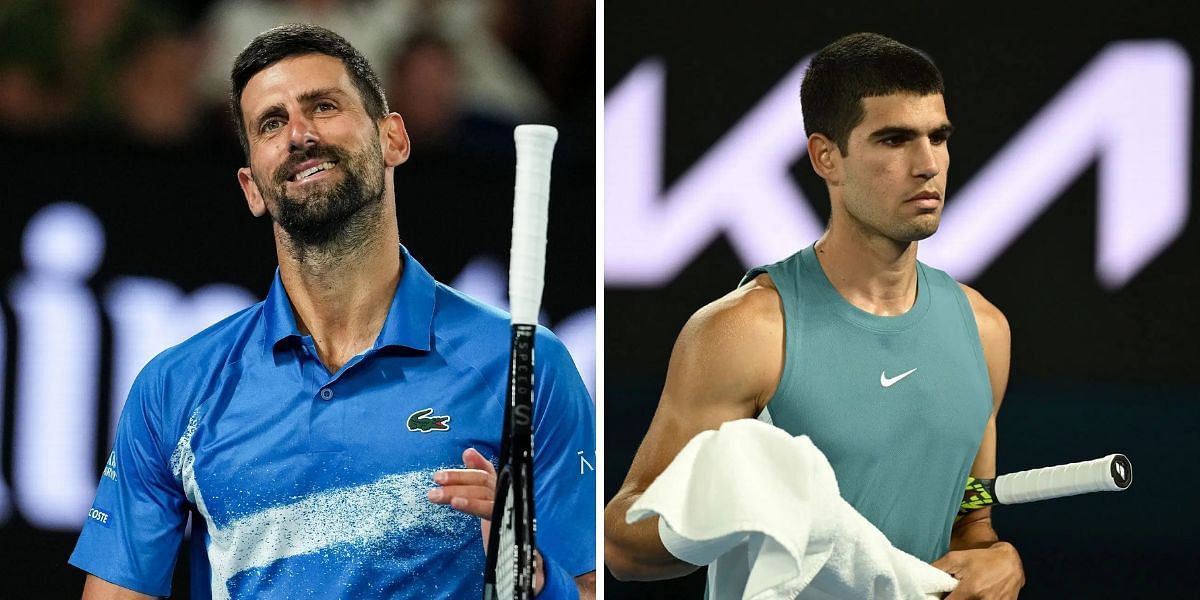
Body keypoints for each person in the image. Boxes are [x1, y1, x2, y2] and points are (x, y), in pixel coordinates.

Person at [69, 24, 595, 599]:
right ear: (251, 187)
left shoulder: (526, 367)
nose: (299, 134)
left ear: (393, 138)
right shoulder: (175, 388)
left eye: (323, 106)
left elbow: (591, 588)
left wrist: (537, 579)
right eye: (272, 123)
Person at [604, 32, 1024, 599]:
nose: (928, 165)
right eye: (895, 139)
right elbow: (621, 546)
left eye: (938, 137)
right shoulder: (743, 332)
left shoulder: (985, 331)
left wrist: (999, 558)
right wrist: (720, 511)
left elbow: (970, 521)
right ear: (827, 157)